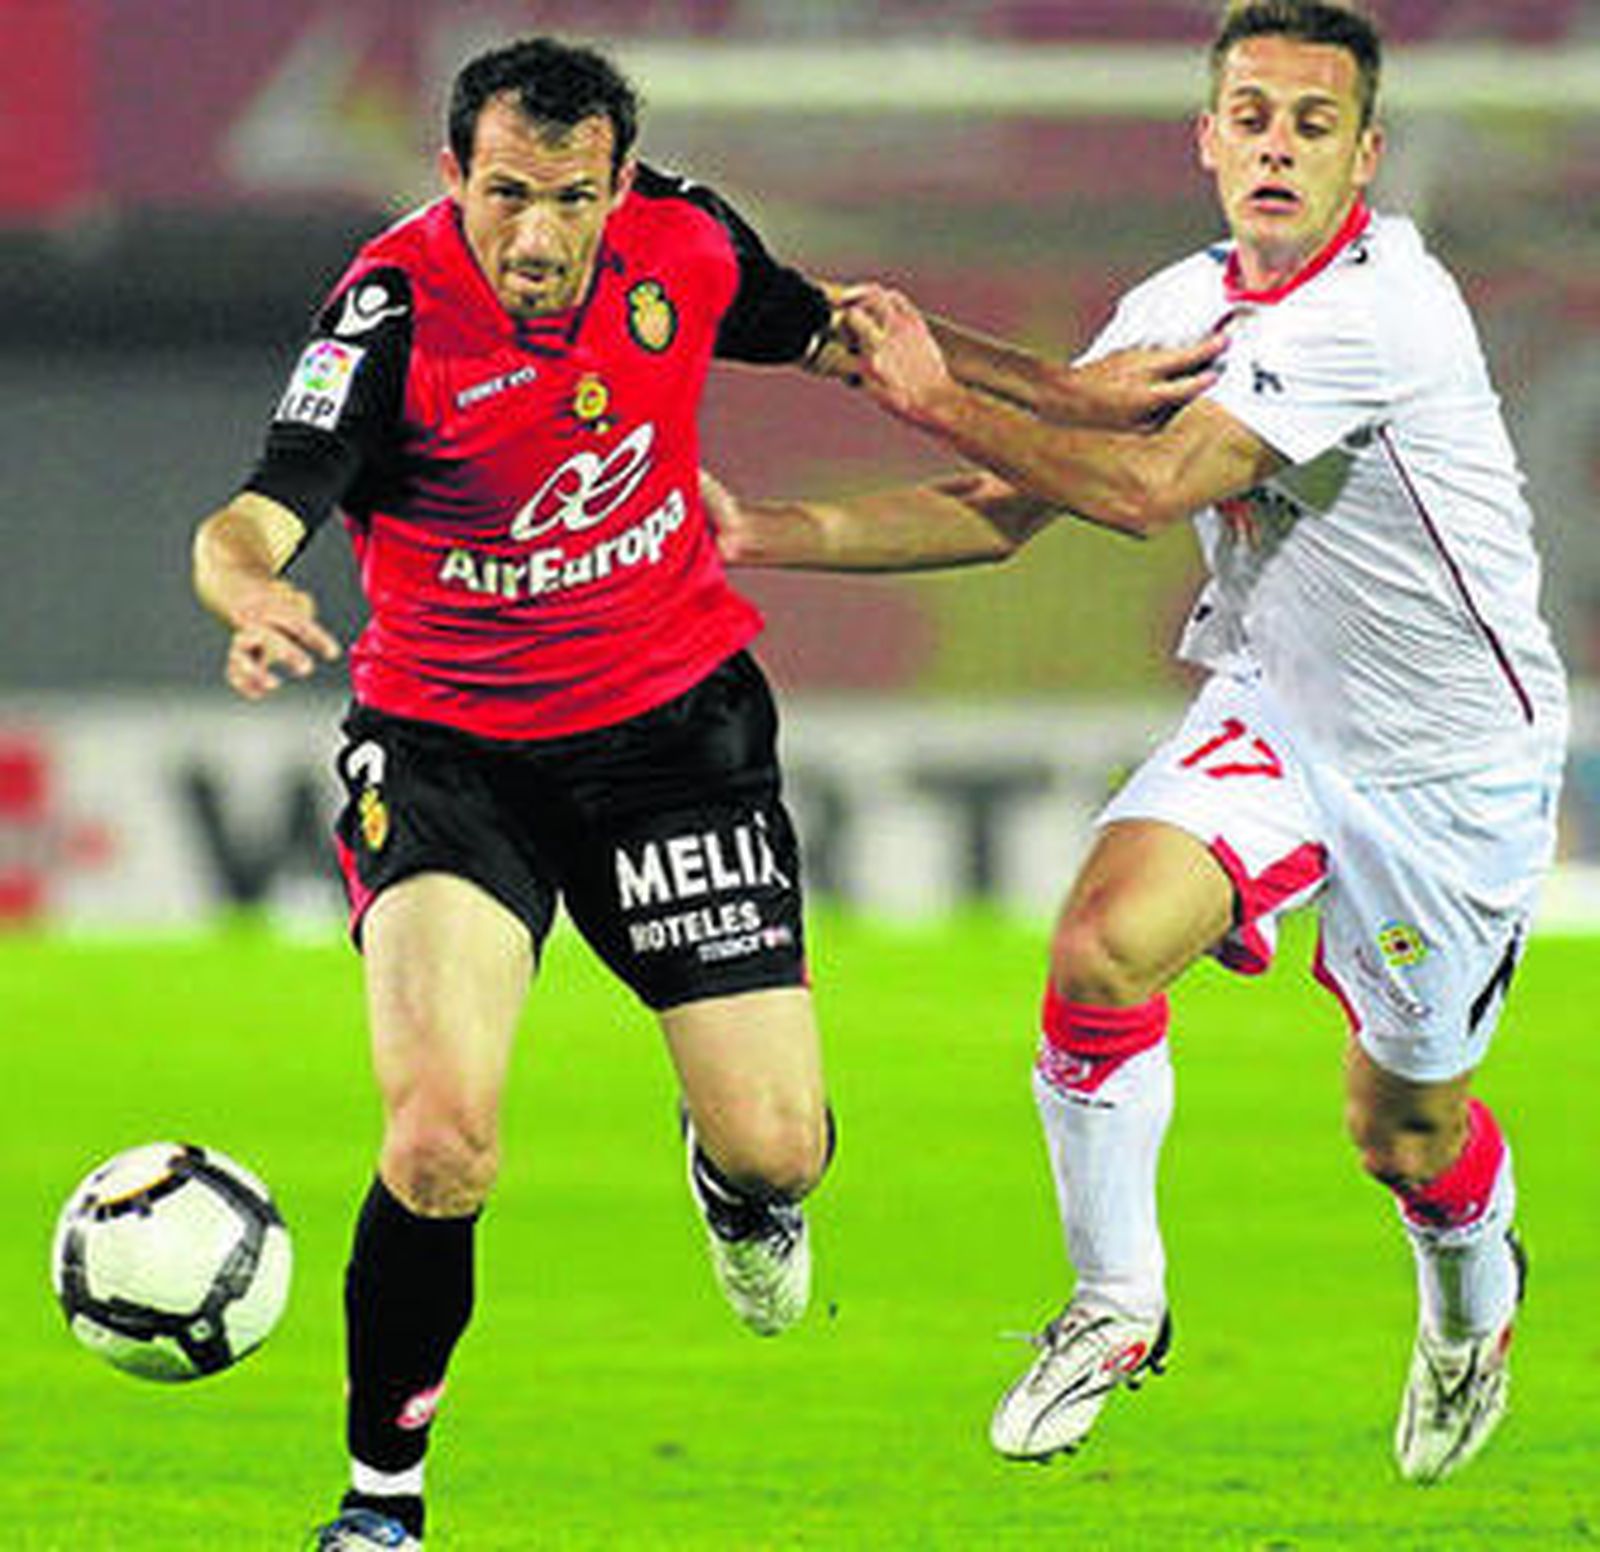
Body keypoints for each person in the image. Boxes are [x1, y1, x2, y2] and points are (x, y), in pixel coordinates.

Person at [190, 36, 1216, 1551]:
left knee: (778, 1146)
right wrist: (247, 593)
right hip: (452, 759)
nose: (538, 237)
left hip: (675, 744)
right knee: (437, 1142)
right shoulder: (390, 316)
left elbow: (864, 336)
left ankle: (739, 1190)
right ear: (451, 178)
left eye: (572, 199)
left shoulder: (687, 243)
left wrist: (1064, 390)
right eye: (506, 196)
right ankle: (381, 1503)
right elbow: (254, 510)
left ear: (621, 186)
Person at [705, 0, 1568, 1486]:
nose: (1277, 144)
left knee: (1404, 1134)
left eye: (1312, 120)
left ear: (1368, 150)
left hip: (1450, 767)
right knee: (1099, 947)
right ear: (1206, 136)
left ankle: (1472, 1301)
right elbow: (1014, 500)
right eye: (1250, 114)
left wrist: (926, 386)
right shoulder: (1181, 298)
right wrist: (761, 534)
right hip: (1279, 709)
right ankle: (1117, 1302)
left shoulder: (1386, 306)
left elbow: (1148, 488)